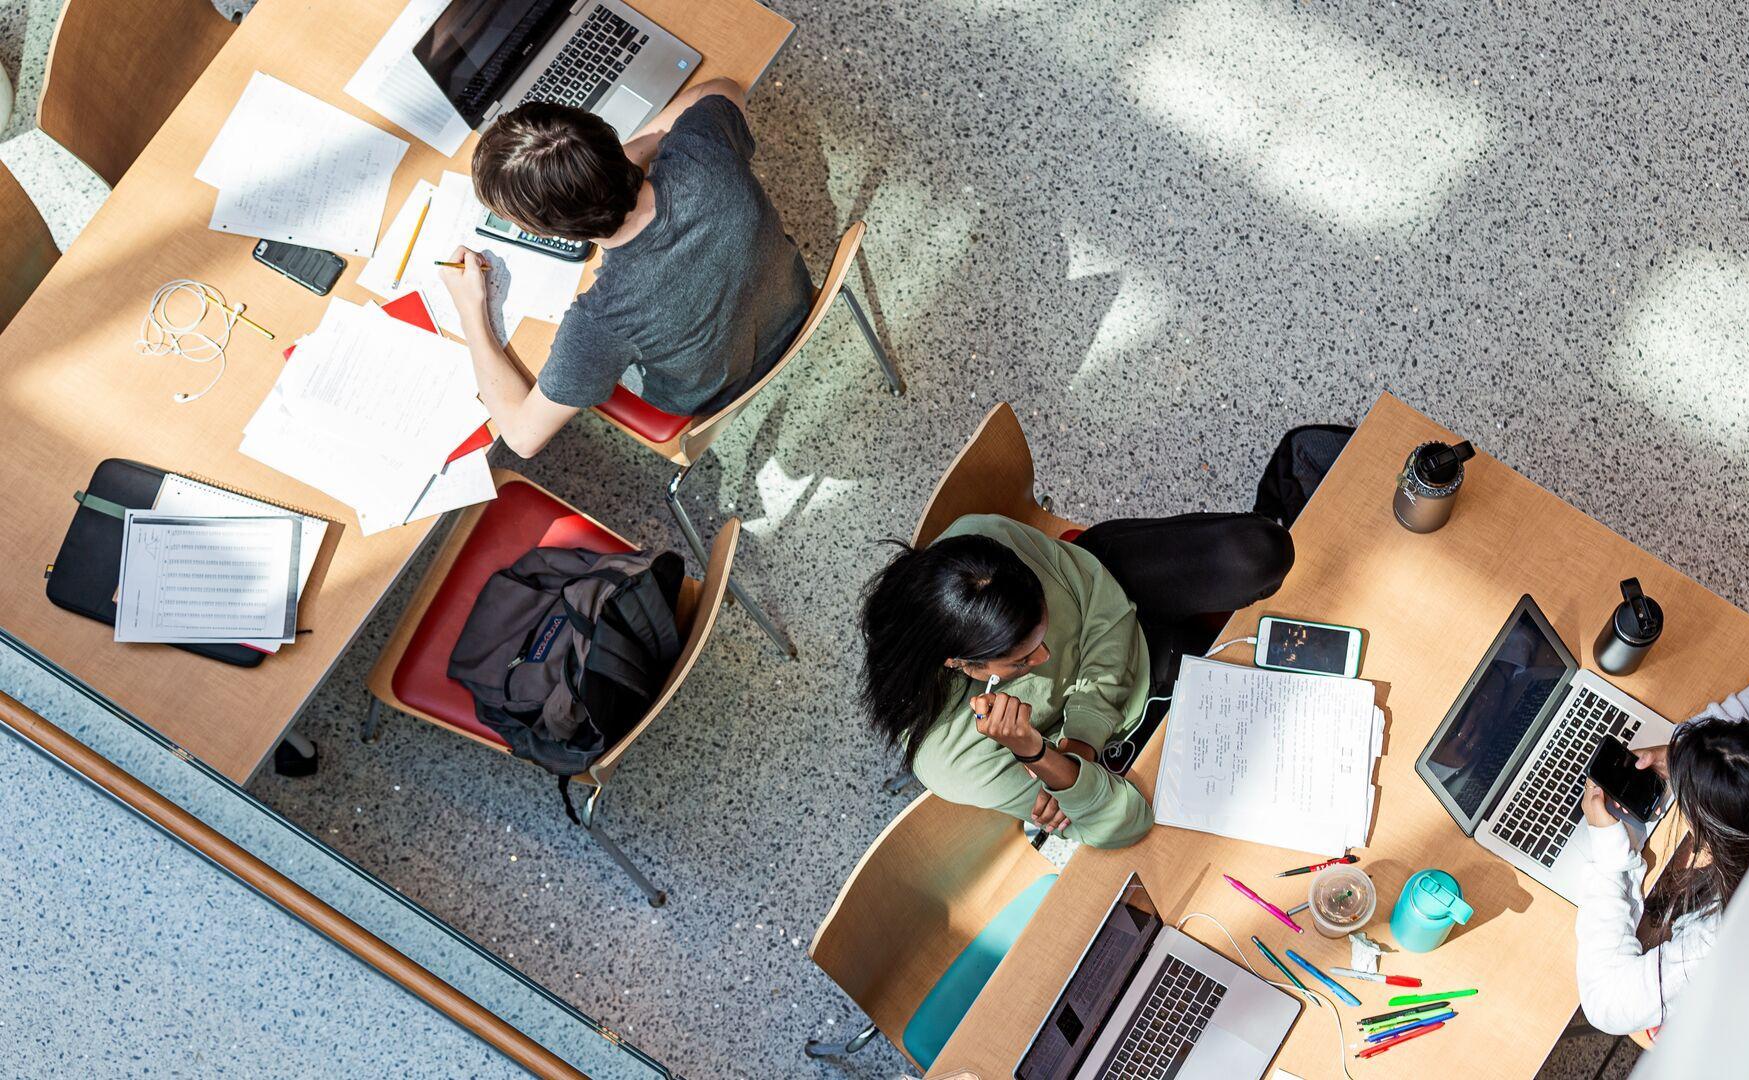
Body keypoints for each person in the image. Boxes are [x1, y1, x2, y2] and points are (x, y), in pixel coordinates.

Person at [859, 512, 1293, 848]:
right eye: (1023, 661)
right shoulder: (948, 759)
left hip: (1115, 603)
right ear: (961, 663)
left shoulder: (984, 540)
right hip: (1120, 730)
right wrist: (1034, 753)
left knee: (1259, 552)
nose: (1045, 658)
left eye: (1044, 632)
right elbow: (1120, 822)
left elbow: (1107, 611)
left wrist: (1080, 738)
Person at [440, 78, 813, 458]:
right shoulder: (701, 149)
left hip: (717, 390)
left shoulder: (603, 320)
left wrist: (470, 310)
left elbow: (522, 438)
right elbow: (723, 89)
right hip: (795, 299)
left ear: (548, 231)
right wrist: (601, 166)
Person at [1574, 658, 1749, 1036]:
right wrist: (1695, 755)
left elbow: (1606, 1003)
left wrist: (1609, 858)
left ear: (1720, 838)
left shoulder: (1725, 932)